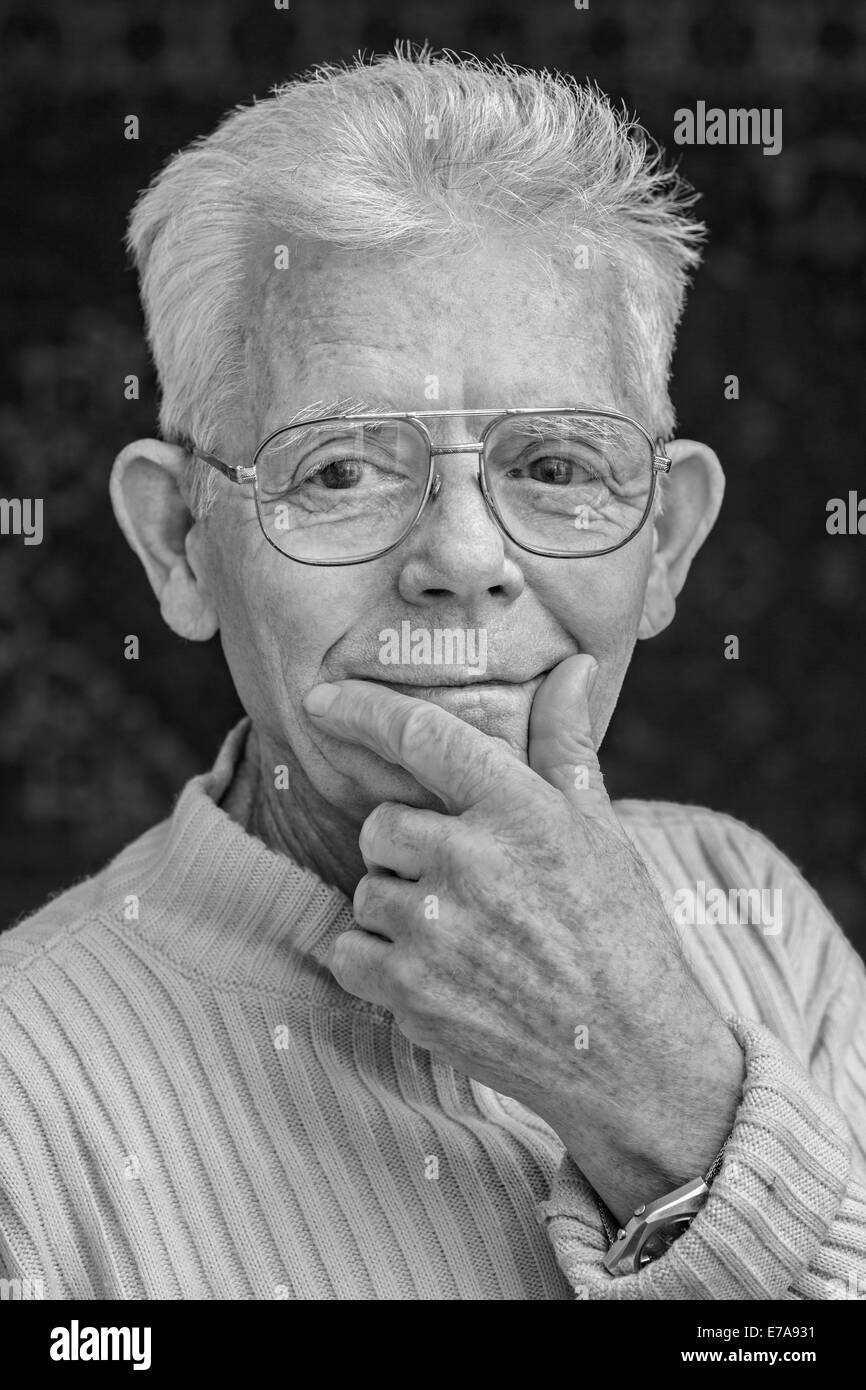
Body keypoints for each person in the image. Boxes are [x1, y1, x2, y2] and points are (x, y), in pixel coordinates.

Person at [1, 48, 864, 1300]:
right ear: (180, 544)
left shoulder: (748, 903)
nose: (463, 559)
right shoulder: (23, 1106)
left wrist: (659, 1095)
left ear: (664, 542)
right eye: (341, 468)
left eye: (557, 466)